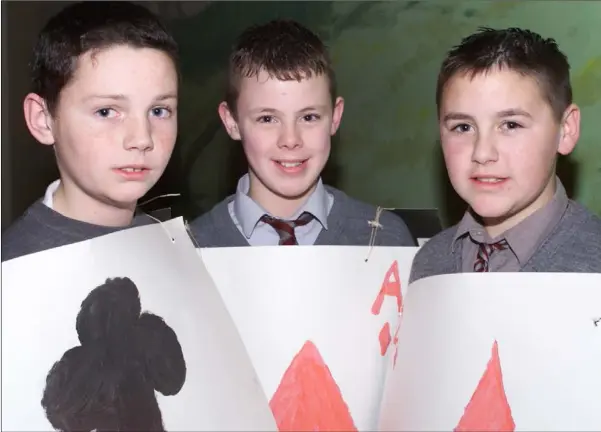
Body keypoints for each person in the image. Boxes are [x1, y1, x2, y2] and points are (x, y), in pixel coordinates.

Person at [189, 20, 414, 247]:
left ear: (335, 118)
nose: (290, 140)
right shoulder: (191, 250)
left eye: (309, 117)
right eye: (267, 119)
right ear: (232, 122)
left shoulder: (386, 239)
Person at [410, 27, 601, 282]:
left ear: (565, 130)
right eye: (463, 127)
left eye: (511, 125)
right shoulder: (429, 262)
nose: (483, 153)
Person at [2, 1, 179, 262]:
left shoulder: (173, 249)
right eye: (106, 111)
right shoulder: (16, 272)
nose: (142, 139)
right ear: (43, 120)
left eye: (159, 111)